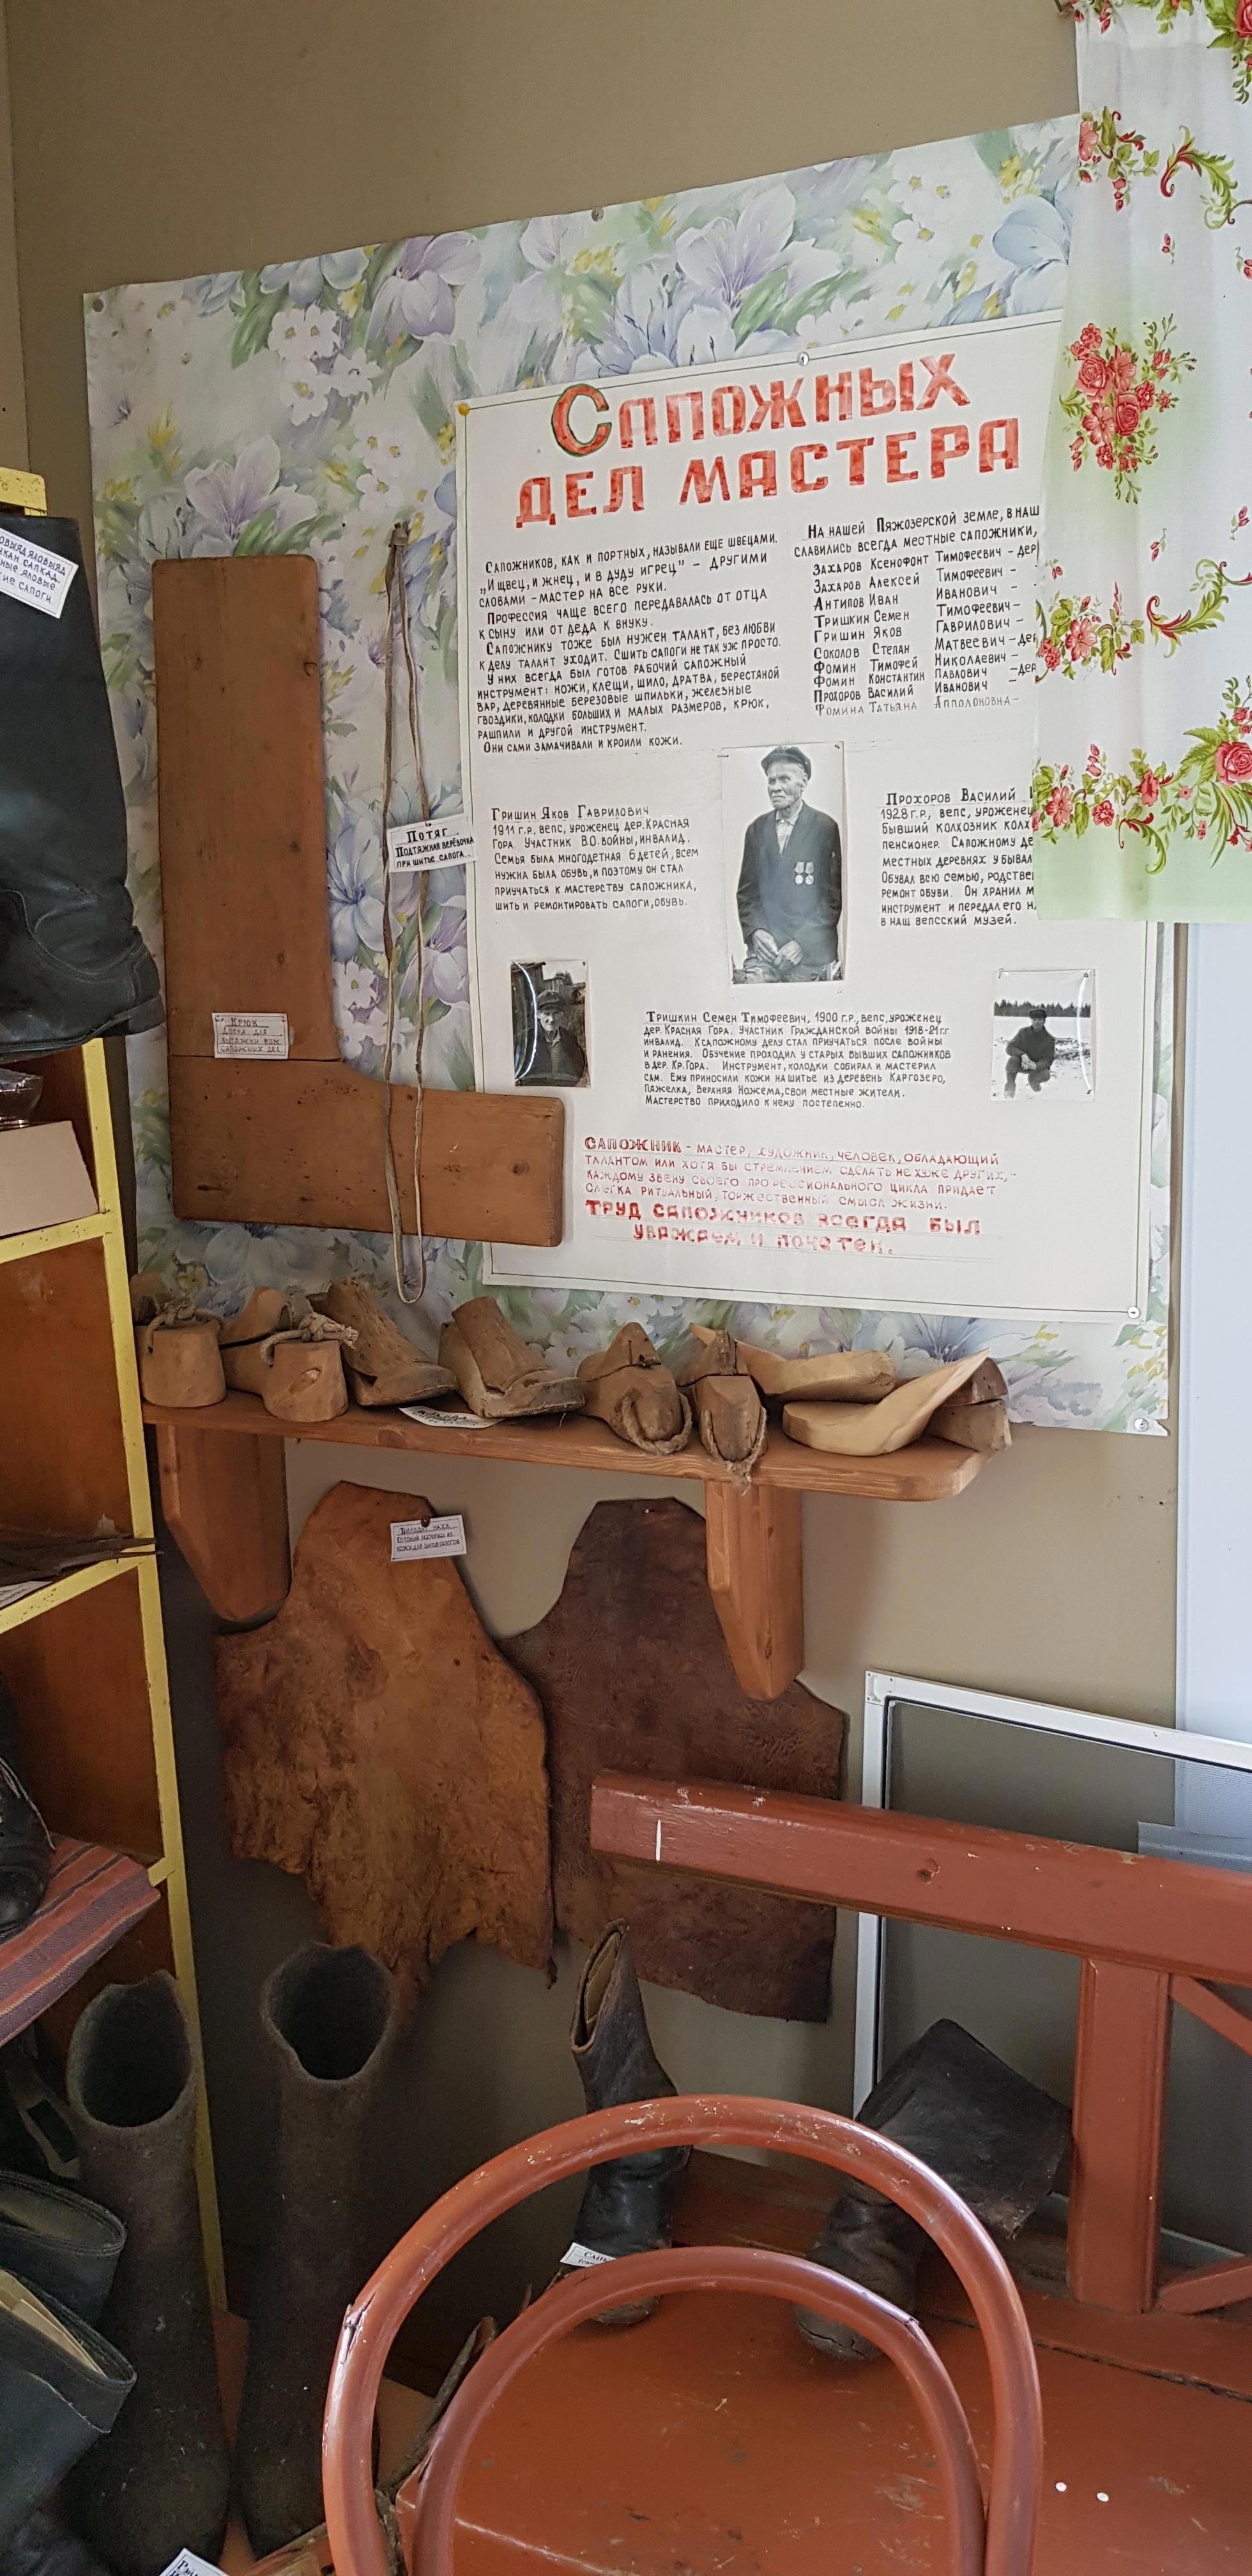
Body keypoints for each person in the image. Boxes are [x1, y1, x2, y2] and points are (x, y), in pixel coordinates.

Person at [736, 746, 842, 983]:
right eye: (771, 781)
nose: (775, 787)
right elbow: (747, 893)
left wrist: (801, 944)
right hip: (766, 953)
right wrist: (757, 931)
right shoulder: (756, 830)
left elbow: (832, 900)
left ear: (803, 782)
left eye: (784, 779)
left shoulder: (824, 828)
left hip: (809, 953)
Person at [1004, 1009, 1055, 1097]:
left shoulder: (1049, 1039)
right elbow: (1010, 1047)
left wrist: (1036, 1066)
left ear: (1044, 1021)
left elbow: (1048, 1059)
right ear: (1031, 1020)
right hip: (1022, 1063)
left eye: (1039, 1020)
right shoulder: (1023, 1033)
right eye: (1034, 1020)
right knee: (1012, 1061)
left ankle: (1034, 1083)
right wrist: (1022, 1055)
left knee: (1046, 1075)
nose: (1036, 1022)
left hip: (1037, 1068)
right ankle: (1009, 1091)